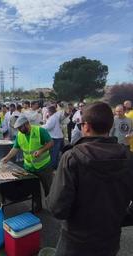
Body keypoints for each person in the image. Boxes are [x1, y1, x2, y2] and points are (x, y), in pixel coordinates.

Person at [46, 102, 133, 255]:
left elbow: (57, 208)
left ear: (86, 126)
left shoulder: (71, 157)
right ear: (110, 126)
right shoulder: (128, 157)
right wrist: (119, 219)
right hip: (110, 241)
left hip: (75, 242)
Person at [1, 115, 54, 199]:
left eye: (20, 128)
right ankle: (37, 206)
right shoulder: (20, 135)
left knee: (48, 188)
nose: (18, 130)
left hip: (44, 166)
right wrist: (7, 158)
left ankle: (52, 206)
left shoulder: (40, 130)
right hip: (29, 167)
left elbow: (51, 143)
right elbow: (15, 148)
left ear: (26, 124)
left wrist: (41, 151)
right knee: (33, 189)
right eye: (17, 128)